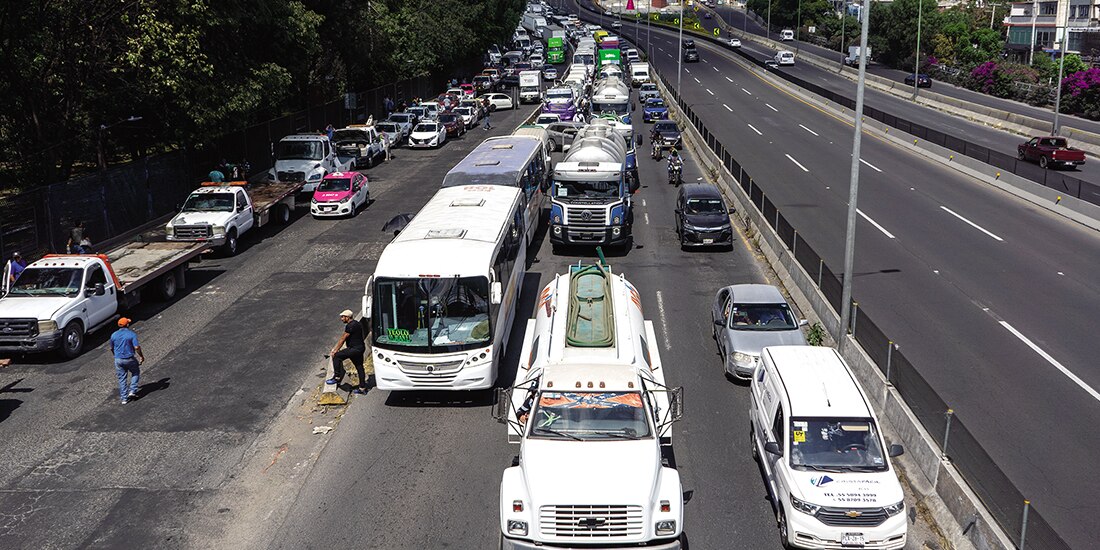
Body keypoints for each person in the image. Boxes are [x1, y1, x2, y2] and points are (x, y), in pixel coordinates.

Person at [328, 309, 369, 394]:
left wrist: (335, 350)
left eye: (343, 317)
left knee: (337, 356)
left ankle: (336, 377)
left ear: (347, 317)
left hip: (354, 349)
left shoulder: (350, 326)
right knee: (359, 367)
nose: (341, 319)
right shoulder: (357, 323)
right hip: (360, 348)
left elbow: (343, 338)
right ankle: (362, 388)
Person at [109, 318, 144, 404]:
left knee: (122, 379)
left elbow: (111, 348)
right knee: (135, 372)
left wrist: (115, 355)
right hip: (129, 358)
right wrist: (141, 356)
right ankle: (132, 390)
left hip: (118, 360)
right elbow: (136, 347)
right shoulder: (131, 334)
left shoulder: (113, 335)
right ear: (127, 325)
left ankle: (124, 399)